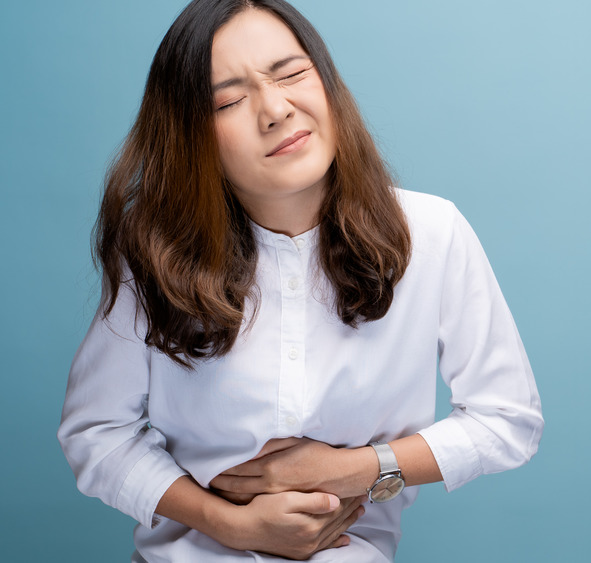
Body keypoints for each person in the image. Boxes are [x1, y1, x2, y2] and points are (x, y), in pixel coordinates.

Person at [56, 0, 543, 561]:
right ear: (192, 137)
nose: (275, 109)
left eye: (291, 74)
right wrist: (226, 523)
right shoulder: (154, 251)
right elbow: (96, 432)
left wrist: (357, 470)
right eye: (230, 100)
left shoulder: (433, 233)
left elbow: (508, 420)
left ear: (329, 85)